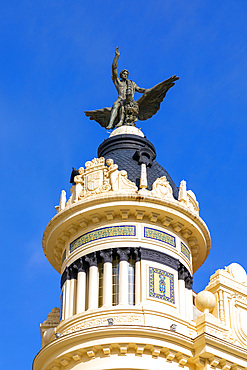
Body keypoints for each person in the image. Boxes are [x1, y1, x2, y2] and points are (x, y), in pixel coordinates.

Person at [106, 47, 146, 129]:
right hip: (120, 99)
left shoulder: (131, 83)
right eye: (123, 73)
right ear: (121, 75)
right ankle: (110, 123)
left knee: (124, 106)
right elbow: (114, 68)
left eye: (126, 74)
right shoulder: (118, 82)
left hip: (129, 101)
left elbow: (139, 89)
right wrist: (117, 56)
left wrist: (148, 91)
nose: (125, 75)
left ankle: (121, 121)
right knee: (115, 105)